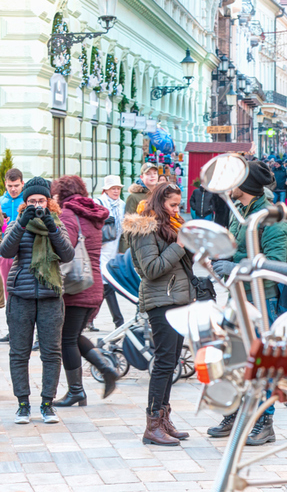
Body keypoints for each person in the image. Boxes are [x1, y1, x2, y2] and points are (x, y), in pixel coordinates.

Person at [208, 162, 287, 446]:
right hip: (238, 295)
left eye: (235, 178)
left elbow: (275, 262)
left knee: (261, 361)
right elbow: (236, 247)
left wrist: (233, 264)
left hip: (262, 299)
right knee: (232, 358)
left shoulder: (270, 216)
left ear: (247, 184)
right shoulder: (240, 210)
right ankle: (234, 413)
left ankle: (264, 422)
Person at [123, 183, 194, 446]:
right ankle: (152, 425)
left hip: (177, 299)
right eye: (173, 205)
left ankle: (164, 419)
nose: (177, 209)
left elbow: (177, 262)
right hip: (160, 301)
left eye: (178, 204)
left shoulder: (170, 224)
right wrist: (180, 245)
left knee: (173, 359)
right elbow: (152, 268)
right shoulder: (145, 228)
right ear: (159, 201)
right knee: (164, 362)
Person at [1, 177, 75, 425]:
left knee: (51, 353)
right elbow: (6, 252)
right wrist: (21, 224)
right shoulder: (17, 222)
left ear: (49, 201)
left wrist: (50, 227)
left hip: (50, 298)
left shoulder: (56, 223)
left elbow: (67, 254)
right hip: (20, 297)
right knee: (19, 353)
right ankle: (23, 404)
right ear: (24, 203)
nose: (36, 204)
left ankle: (47, 404)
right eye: (31, 201)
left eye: (40, 200)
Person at [51, 176, 119, 407]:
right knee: (74, 335)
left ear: (61, 194)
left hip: (76, 285)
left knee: (66, 339)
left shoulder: (69, 215)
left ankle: (77, 391)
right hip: (93, 283)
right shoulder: (91, 213)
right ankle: (105, 368)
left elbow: (65, 249)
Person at [94, 175, 125, 328]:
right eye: (113, 188)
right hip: (101, 249)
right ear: (106, 189)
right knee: (106, 285)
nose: (116, 191)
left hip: (115, 249)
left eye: (118, 188)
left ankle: (88, 319)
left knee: (103, 287)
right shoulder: (98, 203)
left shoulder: (122, 204)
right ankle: (119, 321)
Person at [0, 167, 24, 341]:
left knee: (25, 293)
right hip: (6, 254)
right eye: (10, 186)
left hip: (25, 252)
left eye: (16, 185)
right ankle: (12, 331)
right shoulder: (1, 202)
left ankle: (29, 331)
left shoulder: (29, 200)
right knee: (10, 294)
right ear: (5, 184)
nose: (13, 189)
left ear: (22, 183)